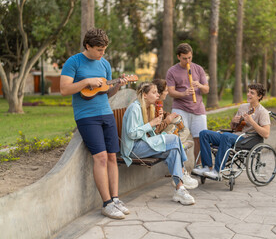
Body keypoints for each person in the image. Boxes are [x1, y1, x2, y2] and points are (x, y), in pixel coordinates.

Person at [60, 28, 129, 220]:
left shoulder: (104, 64)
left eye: (104, 49)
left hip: (106, 113)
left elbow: (105, 93)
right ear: (88, 46)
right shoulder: (73, 62)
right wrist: (86, 81)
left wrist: (117, 85)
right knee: (99, 158)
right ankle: (106, 204)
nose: (102, 53)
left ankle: (115, 199)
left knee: (113, 157)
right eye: (99, 49)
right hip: (86, 116)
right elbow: (64, 89)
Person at [120, 82, 198, 205]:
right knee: (173, 139)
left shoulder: (147, 108)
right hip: (133, 149)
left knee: (173, 150)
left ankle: (180, 189)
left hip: (143, 145)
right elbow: (132, 134)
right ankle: (182, 173)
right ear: (145, 95)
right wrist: (151, 124)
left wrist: (157, 122)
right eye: (154, 92)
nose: (157, 95)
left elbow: (147, 132)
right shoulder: (134, 108)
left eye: (157, 92)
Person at [192, 83, 271, 179]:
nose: (248, 94)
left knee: (226, 136)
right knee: (204, 133)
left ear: (259, 96)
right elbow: (234, 128)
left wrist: (252, 122)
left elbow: (266, 134)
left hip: (246, 140)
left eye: (252, 93)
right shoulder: (243, 107)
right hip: (233, 136)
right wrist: (233, 121)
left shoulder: (263, 112)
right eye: (248, 92)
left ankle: (217, 171)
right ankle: (207, 167)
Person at [166, 43, 209, 167]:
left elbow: (206, 89)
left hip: (198, 108)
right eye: (184, 58)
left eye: (190, 57)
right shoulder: (172, 71)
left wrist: (199, 85)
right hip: (180, 108)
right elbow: (171, 92)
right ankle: (180, 167)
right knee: (179, 138)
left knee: (200, 139)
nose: (188, 61)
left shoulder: (198, 69)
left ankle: (198, 165)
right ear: (178, 57)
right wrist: (184, 93)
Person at [152, 79, 193, 150]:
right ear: (160, 92)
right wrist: (168, 120)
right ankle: (177, 144)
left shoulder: (159, 103)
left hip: (160, 132)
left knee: (186, 130)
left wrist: (169, 115)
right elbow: (155, 130)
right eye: (166, 91)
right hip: (155, 137)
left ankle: (178, 143)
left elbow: (162, 114)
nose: (167, 93)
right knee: (172, 129)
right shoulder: (152, 106)